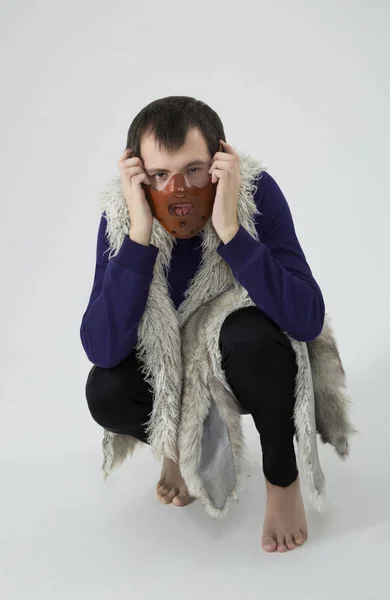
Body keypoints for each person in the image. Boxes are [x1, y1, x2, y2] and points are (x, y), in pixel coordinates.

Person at [80, 96, 352, 553]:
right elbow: (103, 348)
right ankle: (179, 451)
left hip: (241, 362)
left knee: (251, 338)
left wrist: (231, 232)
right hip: (174, 373)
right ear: (137, 177)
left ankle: (281, 481)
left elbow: (305, 319)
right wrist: (138, 238)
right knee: (105, 389)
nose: (178, 190)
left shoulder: (253, 191)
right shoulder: (123, 215)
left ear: (221, 162)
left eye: (194, 170)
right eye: (160, 175)